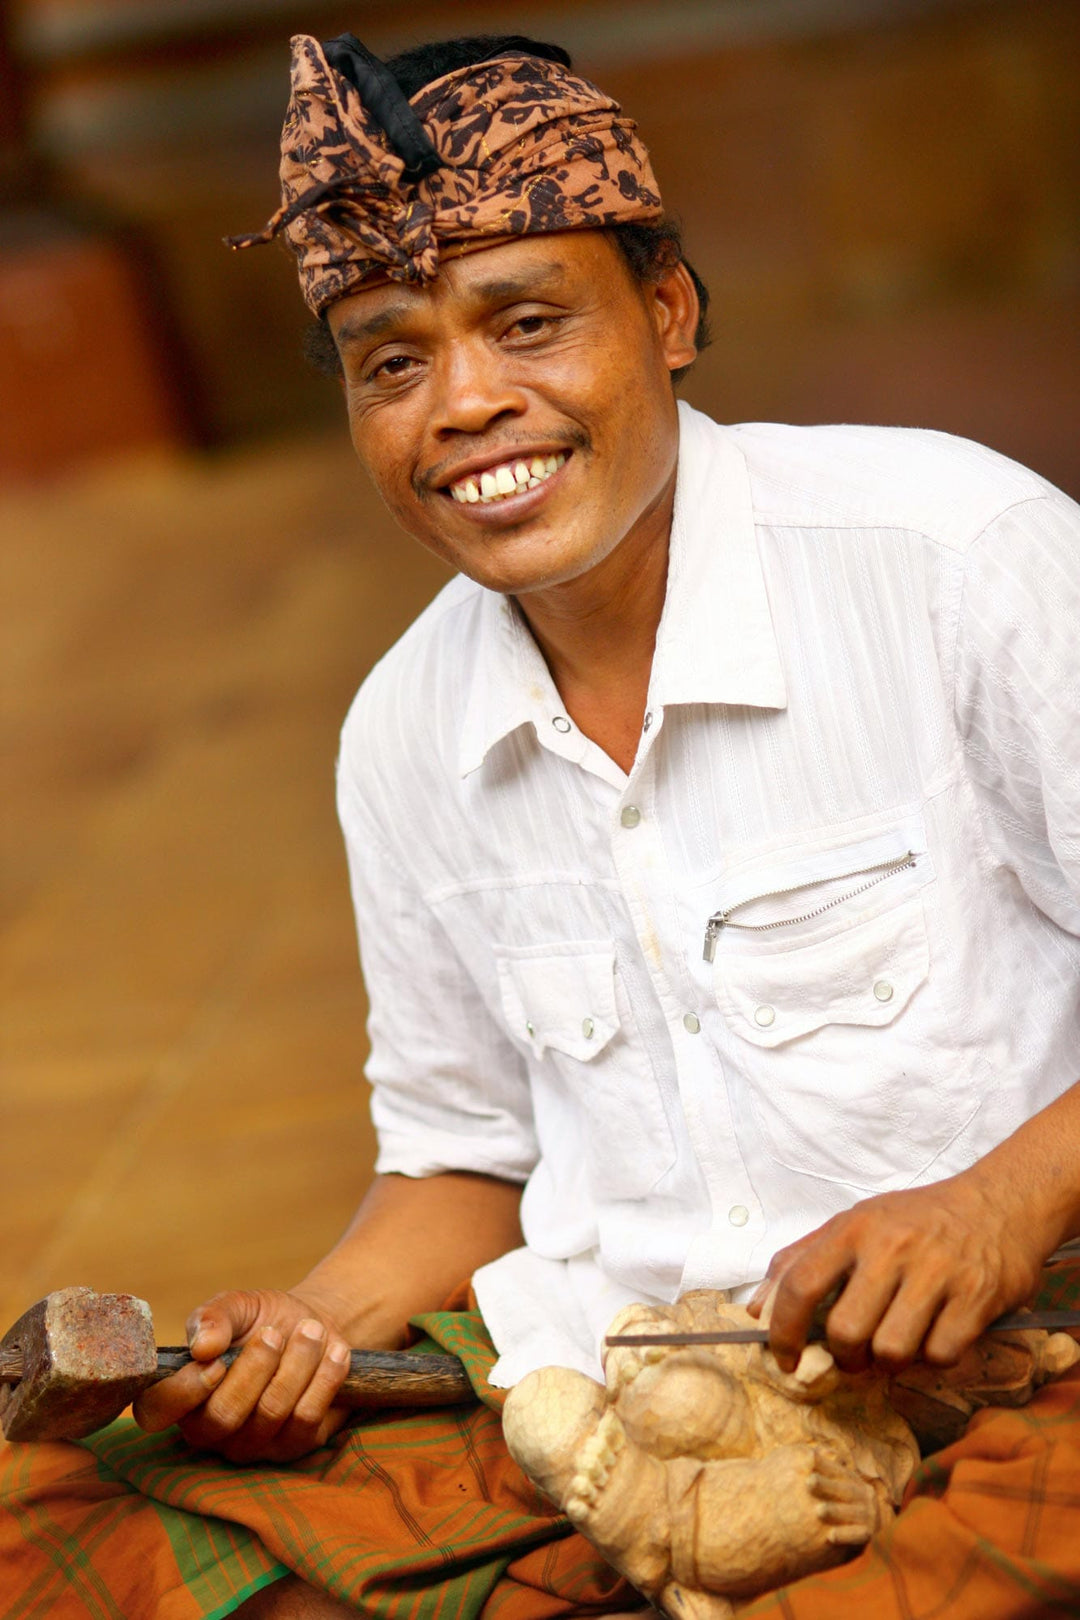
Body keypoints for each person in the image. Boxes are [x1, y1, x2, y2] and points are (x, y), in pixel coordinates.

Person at [3, 28, 1080, 1620]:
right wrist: (314, 1322)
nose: (466, 405)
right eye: (390, 361)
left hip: (1018, 1353)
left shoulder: (957, 561)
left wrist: (998, 1202)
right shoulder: (402, 733)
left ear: (671, 313)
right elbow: (464, 1157)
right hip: (612, 1388)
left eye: (527, 323)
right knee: (62, 1538)